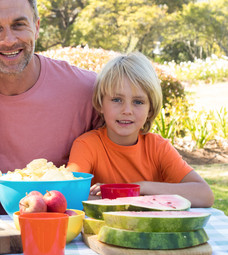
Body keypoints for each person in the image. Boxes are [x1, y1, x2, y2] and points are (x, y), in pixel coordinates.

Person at [0, 0, 100, 185]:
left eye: (19, 25)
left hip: (66, 216)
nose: (9, 40)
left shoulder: (87, 90)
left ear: (36, 27)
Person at [67, 52, 214, 207]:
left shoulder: (158, 147)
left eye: (138, 102)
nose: (127, 110)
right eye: (117, 100)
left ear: (150, 109)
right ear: (100, 104)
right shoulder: (87, 145)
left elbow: (205, 195)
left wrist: (141, 187)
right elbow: (69, 196)